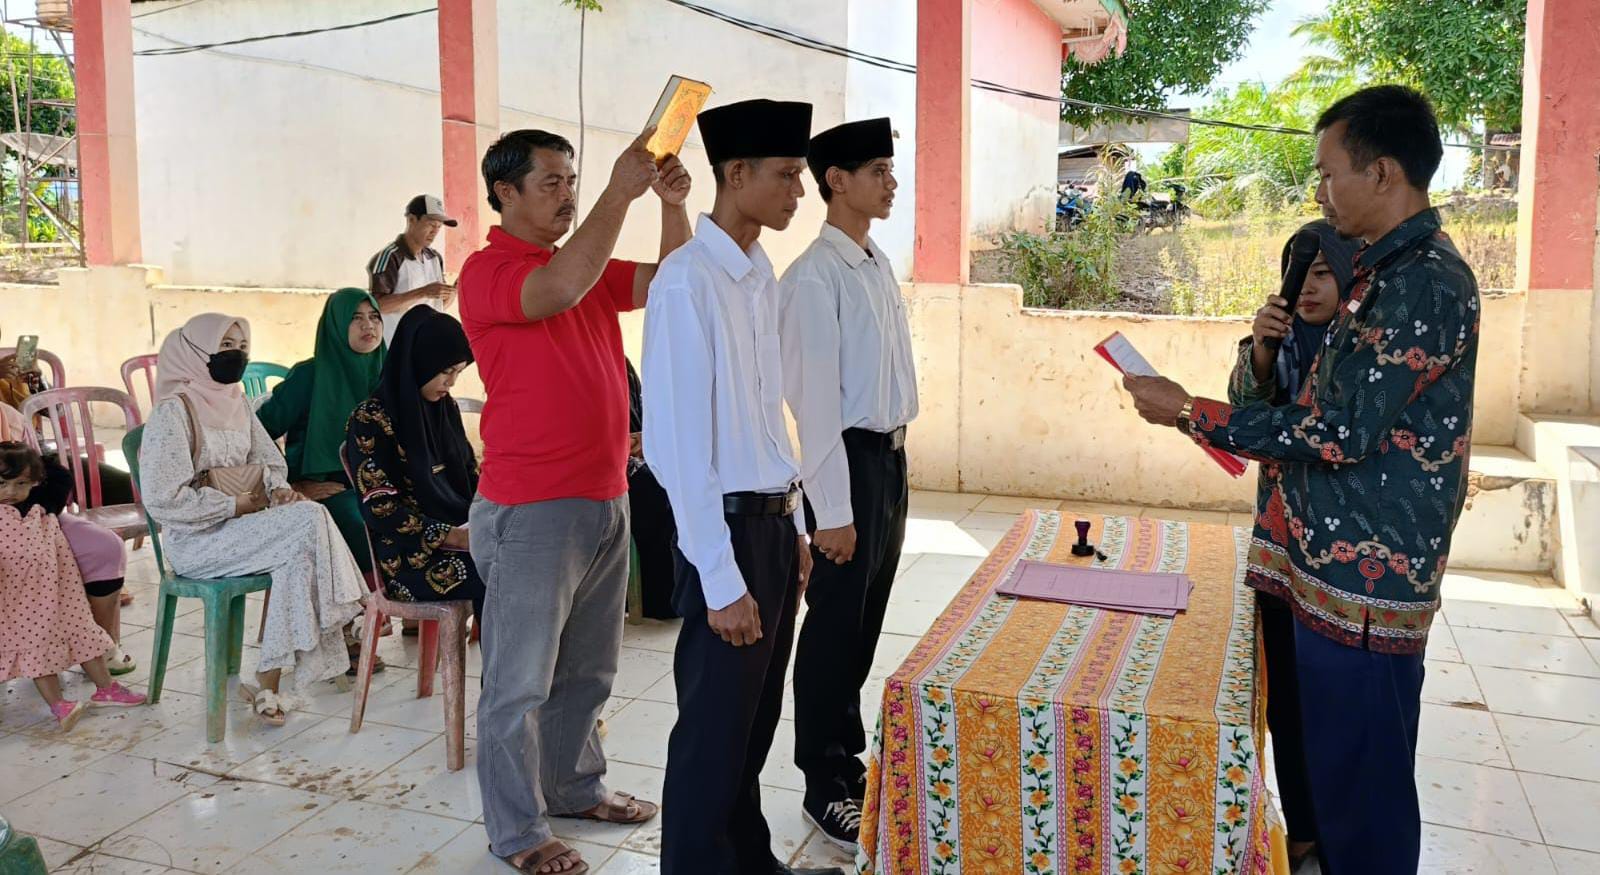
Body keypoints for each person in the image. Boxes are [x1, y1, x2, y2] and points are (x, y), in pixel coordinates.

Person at [1122, 85, 1478, 875]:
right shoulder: (1379, 277)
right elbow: (1311, 402)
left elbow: (1339, 430)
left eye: (1327, 174)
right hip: (1325, 569)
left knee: (1366, 789)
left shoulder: (1423, 282)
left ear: (1383, 172)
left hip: (1365, 585)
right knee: (1328, 767)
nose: (1320, 192)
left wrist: (1191, 411)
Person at [459, 125, 691, 875]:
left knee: (588, 671)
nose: (567, 195)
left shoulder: (579, 264)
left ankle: (574, 786)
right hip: (532, 507)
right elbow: (556, 291)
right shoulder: (490, 271)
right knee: (517, 685)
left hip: (604, 496)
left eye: (572, 180)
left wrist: (670, 204)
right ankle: (518, 830)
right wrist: (621, 192)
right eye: (551, 182)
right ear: (506, 192)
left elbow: (675, 282)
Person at [643, 98, 837, 875]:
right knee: (713, 731)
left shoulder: (757, 275)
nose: (800, 190)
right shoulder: (688, 283)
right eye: (788, 175)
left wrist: (791, 526)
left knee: (751, 726)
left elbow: (763, 421)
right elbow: (680, 448)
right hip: (717, 530)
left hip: (766, 524)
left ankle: (746, 860)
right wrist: (720, 578)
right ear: (735, 174)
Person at [777, 116, 918, 849]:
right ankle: (822, 780)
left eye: (891, 170)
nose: (892, 182)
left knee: (863, 619)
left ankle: (848, 755)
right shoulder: (812, 278)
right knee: (833, 622)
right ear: (837, 179)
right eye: (879, 170)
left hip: (888, 459)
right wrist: (830, 509)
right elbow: (816, 407)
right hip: (849, 464)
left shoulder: (874, 262)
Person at [140, 314, 366, 726]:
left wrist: (278, 488)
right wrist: (232, 506)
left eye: (242, 347)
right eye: (225, 345)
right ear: (196, 349)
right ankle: (355, 609)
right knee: (309, 517)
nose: (237, 355)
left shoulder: (238, 401)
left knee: (298, 549)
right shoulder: (171, 414)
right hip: (195, 541)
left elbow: (267, 460)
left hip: (241, 531)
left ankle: (269, 682)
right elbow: (162, 500)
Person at [1225, 219, 1358, 870]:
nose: (1307, 285)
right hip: (1280, 556)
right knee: (1286, 707)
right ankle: (1302, 834)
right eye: (1298, 270)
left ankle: (1337, 832)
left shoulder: (1364, 348)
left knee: (1336, 706)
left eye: (1324, 271)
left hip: (1341, 567)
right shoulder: (1268, 344)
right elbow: (1246, 425)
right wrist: (1259, 352)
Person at [346, 307, 486, 621]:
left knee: (531, 559)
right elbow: (381, 509)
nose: (451, 382)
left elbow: (468, 475)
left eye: (458, 373)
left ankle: (521, 670)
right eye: (446, 371)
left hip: (460, 538)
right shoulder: (371, 418)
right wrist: (452, 536)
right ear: (422, 360)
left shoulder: (442, 409)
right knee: (506, 574)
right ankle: (506, 672)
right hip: (406, 559)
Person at [1, 441, 146, 731]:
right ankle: (58, 705)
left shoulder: (40, 505)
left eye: (21, 483)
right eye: (2, 484)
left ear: (35, 482)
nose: (11, 492)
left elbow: (59, 475)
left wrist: (29, 458)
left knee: (85, 636)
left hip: (61, 592)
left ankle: (106, 688)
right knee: (37, 651)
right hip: (21, 605)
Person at [257, 288, 387, 575]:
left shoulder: (389, 373)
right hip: (331, 486)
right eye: (356, 318)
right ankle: (371, 611)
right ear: (337, 325)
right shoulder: (309, 376)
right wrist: (291, 484)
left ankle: (415, 613)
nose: (369, 325)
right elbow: (257, 434)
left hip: (383, 484)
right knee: (364, 526)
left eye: (374, 317)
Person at [1, 401, 135, 676]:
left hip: (29, 515)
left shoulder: (8, 417)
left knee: (104, 547)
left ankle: (98, 646)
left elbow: (45, 471)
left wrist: (31, 507)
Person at [624, 359, 678, 620]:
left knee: (675, 479)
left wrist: (646, 439)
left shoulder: (619, 363)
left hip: (629, 460)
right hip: (593, 467)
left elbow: (642, 418)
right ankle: (658, 599)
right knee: (654, 491)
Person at [367, 194, 458, 345]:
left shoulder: (434, 258)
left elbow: (438, 305)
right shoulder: (390, 257)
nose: (434, 231)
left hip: (426, 346)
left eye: (438, 227)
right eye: (430, 224)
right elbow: (377, 306)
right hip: (396, 347)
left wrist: (454, 290)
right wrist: (423, 292)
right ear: (411, 220)